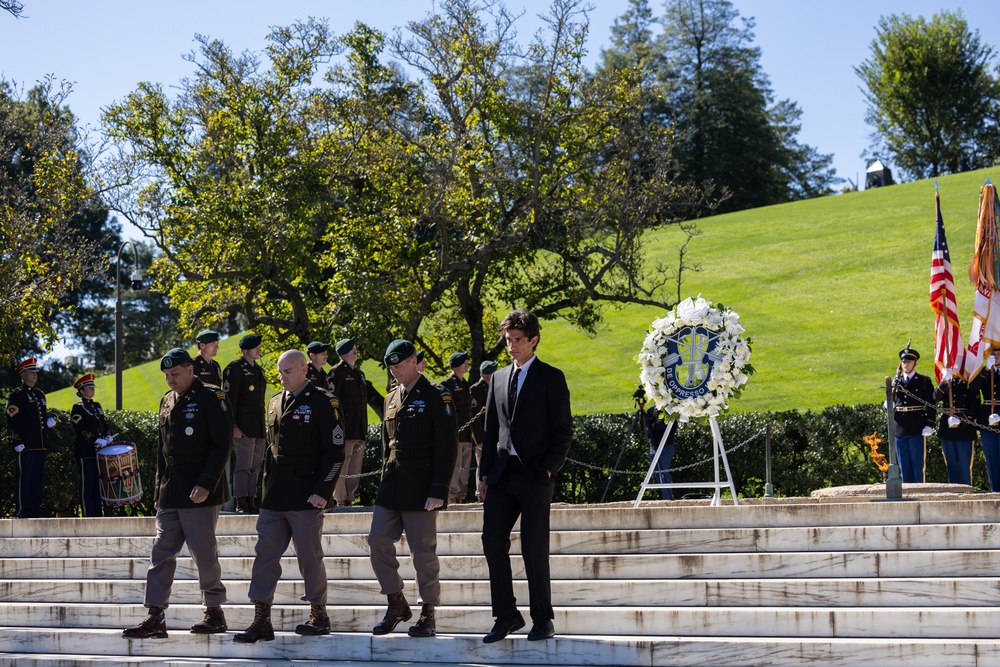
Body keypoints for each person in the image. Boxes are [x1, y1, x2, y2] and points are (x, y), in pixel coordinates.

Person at [234, 350, 346, 643]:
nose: (282, 377)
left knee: (309, 557)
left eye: (288, 371)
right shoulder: (273, 403)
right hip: (276, 496)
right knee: (265, 555)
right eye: (280, 372)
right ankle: (261, 619)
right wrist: (263, 494)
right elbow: (271, 454)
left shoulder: (324, 401)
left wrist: (324, 491)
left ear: (304, 369)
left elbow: (335, 452)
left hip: (307, 495)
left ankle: (319, 615)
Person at [123, 348, 233, 639]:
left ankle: (214, 613)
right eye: (166, 375)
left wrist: (207, 482)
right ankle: (155, 615)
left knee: (203, 554)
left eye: (174, 374)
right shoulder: (167, 401)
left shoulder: (212, 396)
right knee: (160, 553)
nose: (170, 379)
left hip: (200, 491)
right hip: (172, 492)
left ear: (190, 369)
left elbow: (222, 445)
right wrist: (160, 488)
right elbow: (163, 450)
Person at [479, 309, 572, 644]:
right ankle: (506, 616)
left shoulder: (551, 377)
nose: (512, 346)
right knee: (491, 541)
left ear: (534, 340)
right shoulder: (499, 378)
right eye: (508, 340)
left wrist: (549, 467)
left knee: (534, 547)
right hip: (502, 476)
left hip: (535, 476)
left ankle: (542, 619)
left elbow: (563, 430)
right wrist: (484, 475)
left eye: (518, 340)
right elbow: (491, 432)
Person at [367, 339, 457, 638]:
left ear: (414, 361)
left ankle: (428, 613)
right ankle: (396, 603)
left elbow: (447, 446)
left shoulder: (436, 396)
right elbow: (386, 445)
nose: (395, 372)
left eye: (399, 365)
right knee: (377, 541)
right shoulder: (391, 398)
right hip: (392, 483)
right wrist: (382, 477)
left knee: (423, 553)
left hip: (422, 486)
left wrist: (440, 488)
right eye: (391, 367)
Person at [328, 338, 384, 507]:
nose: (356, 350)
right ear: (344, 351)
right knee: (342, 467)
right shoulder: (336, 373)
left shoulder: (359, 374)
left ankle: (350, 499)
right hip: (344, 429)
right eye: (352, 348)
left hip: (359, 428)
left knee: (355, 468)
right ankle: (340, 500)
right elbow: (331, 401)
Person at [5, 358, 57, 518]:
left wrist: (51, 420)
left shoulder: (40, 395)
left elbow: (41, 417)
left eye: (35, 372)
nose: (35, 376)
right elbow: (11, 420)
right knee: (24, 481)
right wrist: (16, 440)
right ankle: (23, 512)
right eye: (31, 372)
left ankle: (34, 512)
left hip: (40, 445)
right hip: (26, 446)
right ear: (23, 374)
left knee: (37, 482)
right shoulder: (17, 396)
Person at [224, 333, 267, 513]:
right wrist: (233, 426)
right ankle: (241, 502)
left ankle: (251, 500)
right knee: (243, 466)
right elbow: (228, 400)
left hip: (257, 425)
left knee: (255, 466)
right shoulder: (234, 368)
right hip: (242, 427)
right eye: (255, 346)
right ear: (245, 350)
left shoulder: (259, 370)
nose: (259, 349)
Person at [891, 347, 936, 483]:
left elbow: (931, 404)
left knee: (918, 465)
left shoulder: (924, 381)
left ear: (915, 363)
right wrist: (888, 403)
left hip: (917, 426)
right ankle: (907, 493)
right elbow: (891, 401)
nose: (906, 364)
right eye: (904, 362)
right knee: (904, 465)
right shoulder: (896, 382)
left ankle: (919, 492)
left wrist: (930, 424)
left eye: (909, 362)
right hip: (900, 427)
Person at [70, 373, 112, 517]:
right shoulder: (78, 408)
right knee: (87, 486)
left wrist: (107, 434)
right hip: (85, 453)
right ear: (81, 391)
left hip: (98, 452)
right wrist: (94, 439)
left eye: (93, 387)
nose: (92, 390)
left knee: (97, 486)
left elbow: (103, 423)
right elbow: (80, 429)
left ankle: (97, 515)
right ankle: (88, 516)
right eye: (89, 388)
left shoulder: (96, 406)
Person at [933, 368, 979, 485]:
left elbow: (975, 407)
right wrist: (943, 382)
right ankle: (953, 491)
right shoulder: (947, 382)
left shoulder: (969, 382)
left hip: (965, 429)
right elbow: (935, 398)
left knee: (965, 464)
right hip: (947, 428)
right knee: (951, 464)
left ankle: (967, 490)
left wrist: (962, 420)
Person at [443, 352, 473, 504]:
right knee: (456, 466)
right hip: (455, 432)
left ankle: (461, 495)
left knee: (465, 467)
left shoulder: (465, 383)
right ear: (455, 365)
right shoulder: (447, 384)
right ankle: (452, 495)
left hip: (467, 433)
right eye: (463, 362)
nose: (467, 363)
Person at [972, 348, 1000, 491]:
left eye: (998, 354)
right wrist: (986, 369)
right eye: (993, 354)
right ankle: (995, 492)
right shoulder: (986, 372)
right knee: (991, 459)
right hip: (986, 419)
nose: (996, 357)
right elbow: (973, 387)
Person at [469, 360, 496, 502]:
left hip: (493, 435)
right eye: (491, 372)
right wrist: (478, 439)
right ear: (484, 375)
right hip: (483, 436)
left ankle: (491, 491)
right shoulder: (477, 389)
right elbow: (474, 416)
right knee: (482, 465)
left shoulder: (494, 387)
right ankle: (481, 492)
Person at [644, 406, 675, 500]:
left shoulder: (670, 409)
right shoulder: (650, 410)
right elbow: (646, 427)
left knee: (664, 472)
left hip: (666, 445)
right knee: (657, 473)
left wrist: (652, 425)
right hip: (654, 446)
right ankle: (664, 496)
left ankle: (668, 498)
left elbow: (662, 424)